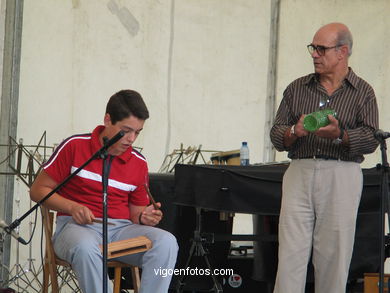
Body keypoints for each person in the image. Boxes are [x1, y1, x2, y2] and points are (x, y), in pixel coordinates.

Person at [30, 89, 178, 293]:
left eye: (138, 132)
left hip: (121, 231)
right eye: (126, 130)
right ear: (108, 120)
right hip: (76, 229)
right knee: (85, 247)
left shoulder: (138, 163)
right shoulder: (75, 146)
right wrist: (72, 207)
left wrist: (145, 216)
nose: (132, 139)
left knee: (167, 243)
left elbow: (136, 214)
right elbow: (38, 190)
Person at [270, 23, 379, 293]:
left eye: (321, 48)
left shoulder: (363, 92)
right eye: (313, 48)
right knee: (290, 256)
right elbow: (275, 135)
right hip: (300, 171)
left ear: (342, 52)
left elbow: (371, 138)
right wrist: (295, 130)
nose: (314, 54)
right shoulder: (297, 88)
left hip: (342, 174)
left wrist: (340, 135)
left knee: (334, 256)